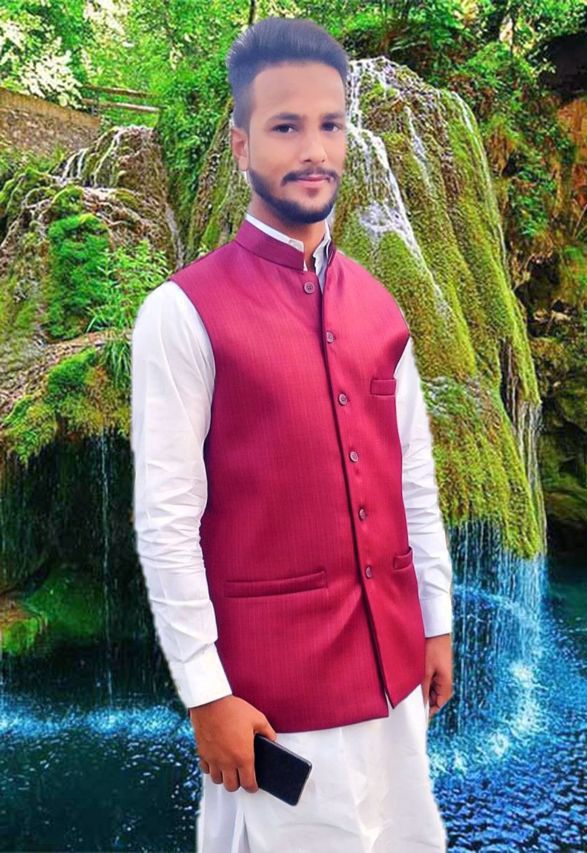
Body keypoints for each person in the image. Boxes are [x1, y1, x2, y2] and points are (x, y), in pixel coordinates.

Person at [130, 15, 454, 852]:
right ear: (241, 145)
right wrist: (205, 691)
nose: (314, 149)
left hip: (396, 680)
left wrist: (436, 620)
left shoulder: (381, 306)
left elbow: (412, 479)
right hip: (276, 702)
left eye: (330, 124)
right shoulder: (180, 312)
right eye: (285, 127)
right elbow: (166, 520)